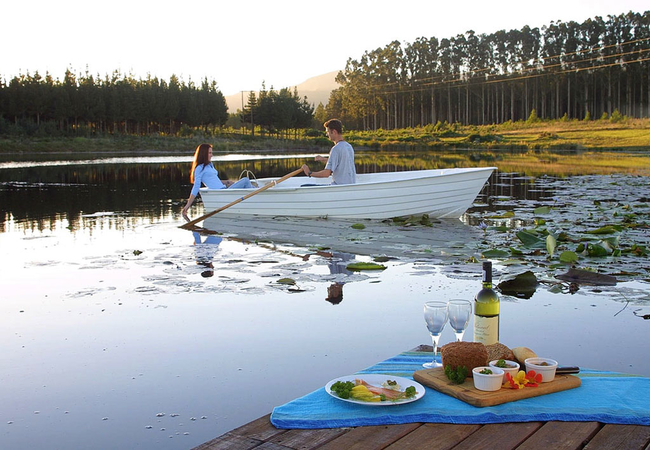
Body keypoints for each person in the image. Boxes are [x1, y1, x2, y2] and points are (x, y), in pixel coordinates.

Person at [182, 143, 253, 219]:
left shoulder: (210, 165)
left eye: (211, 153)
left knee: (250, 183)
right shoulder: (199, 168)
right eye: (209, 153)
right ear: (204, 154)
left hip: (225, 189)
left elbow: (214, 180)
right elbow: (196, 187)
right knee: (245, 180)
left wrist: (226, 182)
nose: (211, 155)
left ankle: (254, 194)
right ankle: (255, 195)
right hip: (222, 192)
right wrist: (187, 206)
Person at [301, 119, 356, 185]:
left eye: (328, 132)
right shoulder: (349, 147)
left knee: (305, 186)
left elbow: (326, 173)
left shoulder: (336, 149)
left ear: (334, 132)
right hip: (350, 185)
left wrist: (309, 173)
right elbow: (341, 163)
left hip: (338, 186)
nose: (327, 135)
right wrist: (323, 159)